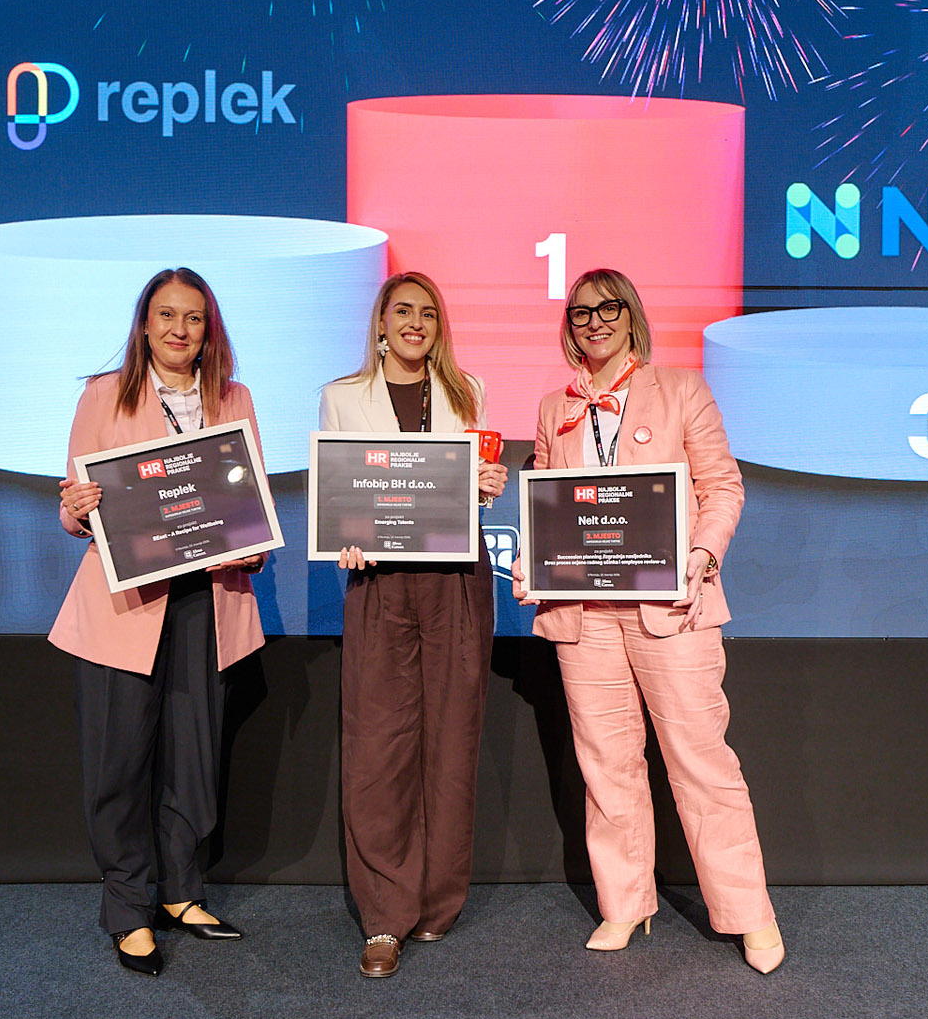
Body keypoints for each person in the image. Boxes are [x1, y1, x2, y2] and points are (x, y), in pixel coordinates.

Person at [513, 268, 782, 975]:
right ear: (569, 328)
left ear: (632, 316)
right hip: (584, 615)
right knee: (606, 763)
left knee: (700, 760)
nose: (594, 322)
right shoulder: (554, 407)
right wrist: (534, 563)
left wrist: (702, 553)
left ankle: (748, 912)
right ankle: (625, 902)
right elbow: (550, 503)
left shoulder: (683, 390)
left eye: (608, 308)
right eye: (580, 313)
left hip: (673, 605)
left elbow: (722, 486)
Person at [51, 268, 267, 978]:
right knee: (118, 761)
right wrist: (76, 507)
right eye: (167, 315)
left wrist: (252, 542)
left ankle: (180, 891)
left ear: (209, 331)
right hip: (126, 604)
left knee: (193, 758)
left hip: (208, 599)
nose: (180, 329)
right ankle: (126, 908)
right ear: (144, 323)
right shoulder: (103, 394)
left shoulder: (234, 398)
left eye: (194, 318)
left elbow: (250, 505)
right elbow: (75, 504)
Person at [319, 272, 508, 978]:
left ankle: (435, 901)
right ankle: (383, 915)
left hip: (456, 576)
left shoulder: (468, 391)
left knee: (452, 739)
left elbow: (469, 490)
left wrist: (488, 488)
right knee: (379, 745)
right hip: (379, 581)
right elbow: (341, 492)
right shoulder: (342, 395)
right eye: (403, 310)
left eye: (429, 313)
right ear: (380, 322)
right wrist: (343, 533)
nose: (416, 323)